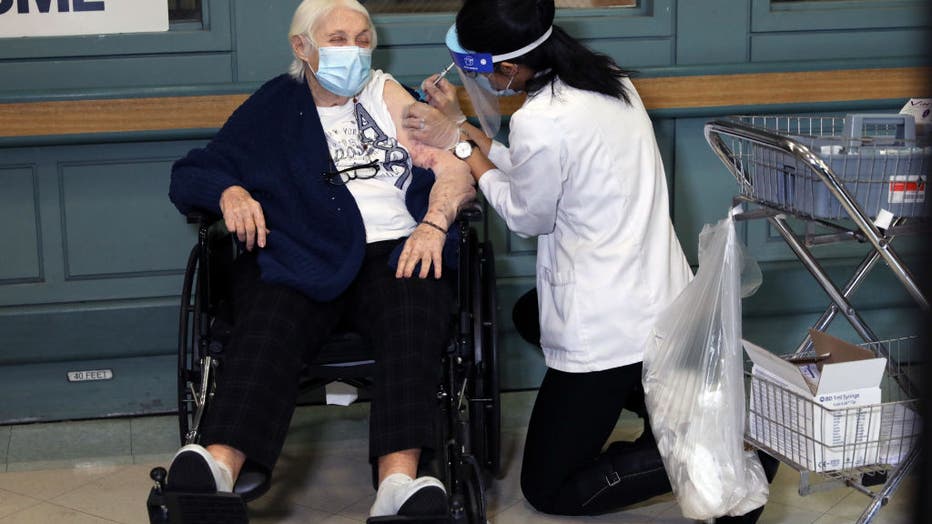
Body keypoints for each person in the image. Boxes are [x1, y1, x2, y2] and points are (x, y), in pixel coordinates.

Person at [403, 0, 778, 520]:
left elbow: (526, 213)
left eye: (479, 67)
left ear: (509, 68)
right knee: (529, 314)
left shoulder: (543, 120)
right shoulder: (608, 82)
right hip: (657, 296)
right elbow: (535, 169)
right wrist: (461, 126)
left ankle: (729, 453)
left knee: (548, 489)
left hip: (607, 324)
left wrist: (461, 148)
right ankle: (676, 414)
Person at [165, 0, 476, 518]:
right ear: (301, 47)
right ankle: (216, 470)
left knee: (414, 312)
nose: (352, 51)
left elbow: (453, 167)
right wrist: (230, 192)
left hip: (396, 246)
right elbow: (194, 171)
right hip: (302, 250)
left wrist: (433, 224)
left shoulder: (385, 92)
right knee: (269, 320)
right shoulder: (273, 108)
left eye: (362, 39)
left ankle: (398, 486)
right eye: (338, 39)